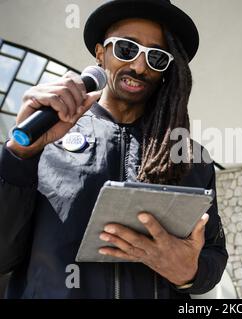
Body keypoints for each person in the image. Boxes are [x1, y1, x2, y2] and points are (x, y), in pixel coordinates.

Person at [0, 0, 228, 299]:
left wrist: (190, 273)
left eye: (157, 57)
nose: (138, 66)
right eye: (126, 49)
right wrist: (18, 155)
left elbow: (212, 255)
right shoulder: (45, 137)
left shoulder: (191, 159)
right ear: (100, 53)